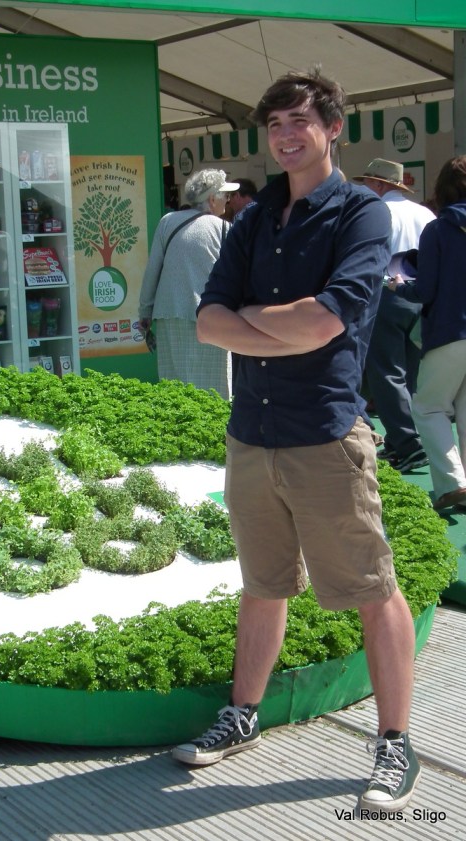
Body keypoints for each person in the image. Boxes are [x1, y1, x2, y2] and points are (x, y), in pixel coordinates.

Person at [172, 67, 421, 813]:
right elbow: (207, 320)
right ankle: (243, 714)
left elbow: (327, 321)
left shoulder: (361, 216)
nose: (284, 137)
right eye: (274, 126)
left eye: (298, 124)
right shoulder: (252, 220)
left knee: (372, 589)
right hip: (252, 432)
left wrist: (256, 324)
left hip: (324, 433)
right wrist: (279, 325)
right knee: (262, 584)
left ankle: (394, 742)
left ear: (333, 128)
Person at [388, 155, 466, 512]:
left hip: (450, 329)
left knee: (428, 407)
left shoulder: (439, 229)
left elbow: (426, 291)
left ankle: (452, 484)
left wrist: (397, 286)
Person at [353, 158, 436, 473]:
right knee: (411, 376)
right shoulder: (425, 213)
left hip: (388, 295)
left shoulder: (378, 212)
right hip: (422, 298)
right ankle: (412, 442)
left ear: (378, 184)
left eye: (367, 183)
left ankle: (407, 444)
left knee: (386, 373)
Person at [138, 168, 238, 397]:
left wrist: (145, 311)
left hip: (168, 314)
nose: (228, 200)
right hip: (211, 316)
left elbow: (152, 270)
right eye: (225, 194)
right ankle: (212, 432)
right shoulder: (224, 229)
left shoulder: (168, 222)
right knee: (215, 389)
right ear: (212, 199)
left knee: (175, 389)